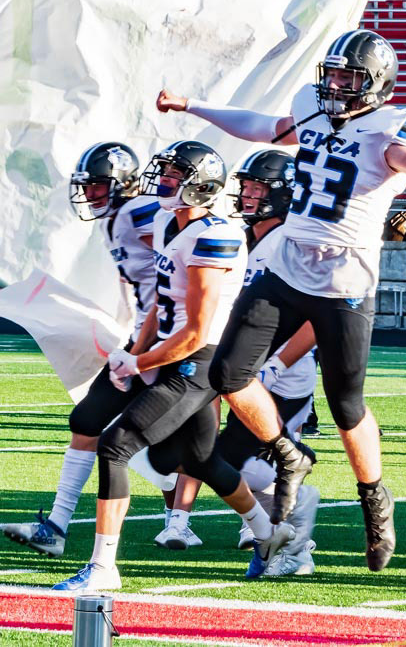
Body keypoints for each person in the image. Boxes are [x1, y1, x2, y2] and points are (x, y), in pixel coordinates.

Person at [156, 29, 406, 572]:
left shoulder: (389, 129)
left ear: (375, 84)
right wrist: (193, 106)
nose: (335, 85)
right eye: (333, 74)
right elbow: (264, 127)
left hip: (344, 279)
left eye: (349, 77)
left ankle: (375, 499)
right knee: (229, 373)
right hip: (287, 265)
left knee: (346, 404)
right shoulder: (313, 109)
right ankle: (288, 454)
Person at [53, 141, 296, 591]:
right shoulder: (168, 221)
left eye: (173, 175)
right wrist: (135, 351)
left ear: (200, 186)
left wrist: (138, 363)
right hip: (169, 352)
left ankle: (103, 568)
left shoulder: (215, 235)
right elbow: (160, 303)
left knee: (116, 446)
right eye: (162, 172)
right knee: (201, 459)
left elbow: (196, 332)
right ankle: (269, 534)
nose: (162, 182)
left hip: (197, 362)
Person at [0, 142, 171, 558]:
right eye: (86, 186)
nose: (90, 194)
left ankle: (267, 522)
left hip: (175, 343)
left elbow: (172, 273)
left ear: (122, 183)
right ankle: (55, 527)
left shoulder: (141, 212)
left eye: (97, 185)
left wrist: (144, 343)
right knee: (87, 419)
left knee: (192, 453)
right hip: (146, 338)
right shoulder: (115, 221)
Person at [186, 150, 322, 575]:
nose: (247, 194)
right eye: (246, 186)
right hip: (242, 372)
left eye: (258, 187)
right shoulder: (242, 237)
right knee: (219, 461)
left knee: (238, 464)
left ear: (283, 194)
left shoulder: (293, 242)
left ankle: (295, 543)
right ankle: (282, 530)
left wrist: (275, 365)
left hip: (282, 378)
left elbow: (318, 319)